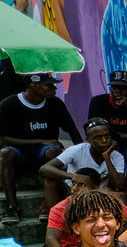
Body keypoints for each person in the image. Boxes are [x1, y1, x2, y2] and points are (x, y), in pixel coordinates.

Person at [0, 72, 81, 224]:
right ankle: (12, 208)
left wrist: (83, 152)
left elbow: (72, 129)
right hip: (19, 153)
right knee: (5, 154)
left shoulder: (55, 103)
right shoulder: (9, 104)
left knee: (53, 152)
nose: (54, 88)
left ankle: (48, 205)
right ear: (34, 85)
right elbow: (3, 139)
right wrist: (40, 141)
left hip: (43, 154)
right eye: (49, 85)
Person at [41, 168, 127, 247]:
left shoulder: (109, 204)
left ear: (95, 188)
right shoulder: (60, 208)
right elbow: (51, 239)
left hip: (104, 246)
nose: (74, 188)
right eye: (73, 183)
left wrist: (117, 238)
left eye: (81, 185)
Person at [40, 118, 126, 206]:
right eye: (98, 138)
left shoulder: (117, 156)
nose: (104, 140)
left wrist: (106, 157)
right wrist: (75, 177)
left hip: (100, 193)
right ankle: (53, 215)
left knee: (121, 195)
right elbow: (44, 169)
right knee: (51, 180)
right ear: (88, 139)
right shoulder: (77, 150)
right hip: (73, 190)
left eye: (107, 136)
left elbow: (120, 185)